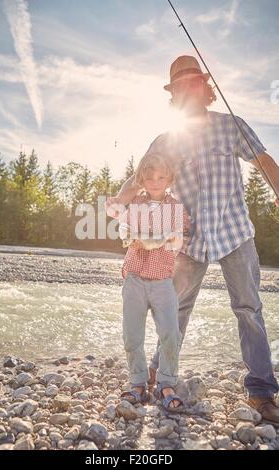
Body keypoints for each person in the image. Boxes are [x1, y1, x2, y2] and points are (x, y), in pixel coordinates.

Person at [106, 55, 279, 424]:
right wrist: (120, 200)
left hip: (234, 232)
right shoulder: (166, 140)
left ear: (206, 87)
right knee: (176, 309)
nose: (187, 90)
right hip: (185, 238)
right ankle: (157, 375)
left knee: (249, 309)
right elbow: (138, 180)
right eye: (179, 86)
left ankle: (261, 391)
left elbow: (263, 160)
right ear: (174, 95)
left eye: (193, 83)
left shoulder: (232, 125)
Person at [110, 153, 188, 412]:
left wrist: (163, 240)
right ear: (142, 178)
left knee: (170, 334)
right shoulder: (135, 204)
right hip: (134, 278)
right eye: (150, 176)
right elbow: (123, 229)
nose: (155, 181)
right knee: (132, 335)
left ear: (170, 180)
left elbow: (176, 242)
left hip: (163, 281)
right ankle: (137, 383)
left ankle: (166, 383)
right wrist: (117, 212)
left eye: (161, 177)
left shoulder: (176, 208)